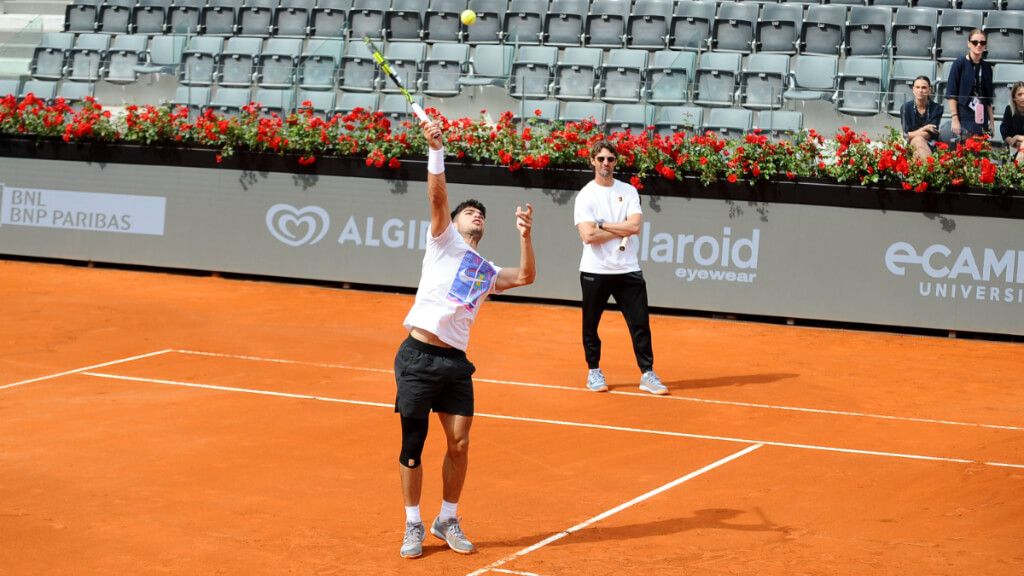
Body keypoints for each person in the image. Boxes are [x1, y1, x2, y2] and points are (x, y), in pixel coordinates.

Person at [395, 120, 536, 559]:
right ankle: (413, 524)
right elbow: (437, 197)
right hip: (418, 355)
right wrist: (435, 150)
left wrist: (525, 236)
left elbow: (527, 275)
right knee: (413, 446)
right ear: (454, 223)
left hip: (455, 363)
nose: (477, 216)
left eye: (482, 216)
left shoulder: (487, 271)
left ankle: (447, 518)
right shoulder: (442, 241)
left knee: (459, 443)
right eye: (470, 212)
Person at [573, 140, 667, 396]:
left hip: (627, 269)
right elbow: (587, 236)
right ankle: (593, 371)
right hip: (595, 270)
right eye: (601, 159)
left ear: (616, 162)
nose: (606, 163)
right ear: (592, 161)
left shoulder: (629, 191)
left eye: (610, 159)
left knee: (640, 324)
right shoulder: (585, 195)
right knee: (590, 325)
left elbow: (635, 227)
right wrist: (617, 227)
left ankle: (647, 374)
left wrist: (602, 226)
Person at [945, 28, 994, 141]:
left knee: (980, 150)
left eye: (982, 42)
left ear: (985, 45)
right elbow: (952, 93)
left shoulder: (987, 67)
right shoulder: (959, 64)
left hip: (981, 115)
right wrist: (955, 118)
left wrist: (991, 122)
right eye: (975, 42)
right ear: (968, 44)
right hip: (964, 114)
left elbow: (988, 98)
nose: (978, 45)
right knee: (966, 148)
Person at [900, 76, 944, 161]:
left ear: (929, 90)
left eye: (924, 88)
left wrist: (912, 134)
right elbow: (906, 135)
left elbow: (929, 134)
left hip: (931, 143)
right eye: (917, 87)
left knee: (917, 151)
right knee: (918, 139)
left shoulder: (937, 108)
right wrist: (924, 128)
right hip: (911, 143)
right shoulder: (905, 108)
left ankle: (927, 168)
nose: (920, 91)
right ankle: (931, 168)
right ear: (913, 89)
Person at [1000, 81, 1024, 164]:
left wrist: (1017, 137)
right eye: (1019, 94)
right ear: (1014, 98)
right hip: (1013, 147)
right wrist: (1010, 140)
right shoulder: (1009, 110)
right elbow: (1004, 130)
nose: (1023, 97)